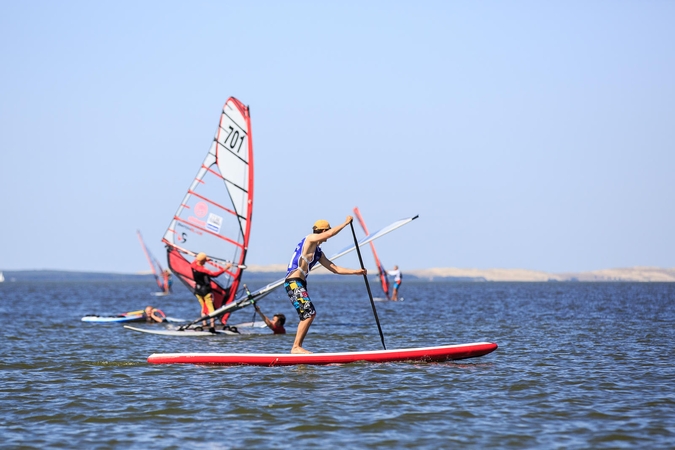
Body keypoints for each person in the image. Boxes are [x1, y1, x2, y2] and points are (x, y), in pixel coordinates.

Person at [285, 216, 367, 354]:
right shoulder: (310, 239)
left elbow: (335, 268)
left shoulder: (318, 252)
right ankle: (296, 347)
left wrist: (356, 272)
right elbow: (330, 234)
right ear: (322, 231)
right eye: (326, 233)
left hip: (300, 283)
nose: (327, 238)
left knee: (308, 314)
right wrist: (346, 223)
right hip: (293, 282)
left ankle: (296, 347)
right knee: (309, 314)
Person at [190, 252, 232, 332]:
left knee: (203, 308)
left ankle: (204, 323)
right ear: (202, 261)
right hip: (205, 291)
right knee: (210, 308)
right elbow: (214, 274)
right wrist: (226, 268)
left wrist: (206, 260)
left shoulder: (193, 265)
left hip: (198, 290)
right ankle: (212, 325)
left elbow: (196, 261)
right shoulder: (202, 269)